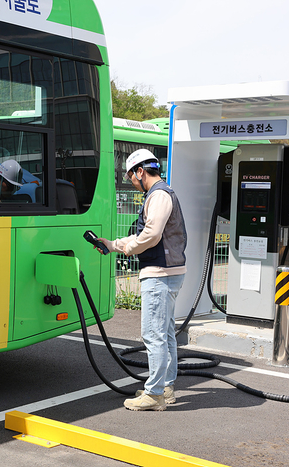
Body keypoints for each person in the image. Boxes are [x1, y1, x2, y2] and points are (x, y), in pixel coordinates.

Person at [95, 149, 187, 411]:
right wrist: (112, 244)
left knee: (153, 335)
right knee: (165, 334)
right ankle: (165, 387)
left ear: (140, 171)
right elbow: (146, 235)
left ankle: (155, 394)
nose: (132, 182)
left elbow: (151, 235)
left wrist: (128, 248)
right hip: (169, 272)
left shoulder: (158, 195)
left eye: (131, 176)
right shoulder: (161, 194)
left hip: (159, 274)